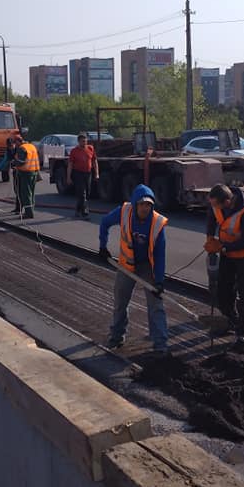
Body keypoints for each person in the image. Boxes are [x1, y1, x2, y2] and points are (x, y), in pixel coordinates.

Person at [98, 184, 169, 355]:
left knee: (156, 304)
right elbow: (105, 223)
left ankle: (160, 344)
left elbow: (160, 255)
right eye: (142, 204)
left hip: (147, 266)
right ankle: (116, 337)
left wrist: (159, 281)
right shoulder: (124, 212)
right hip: (126, 264)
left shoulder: (158, 223)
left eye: (149, 205)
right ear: (135, 203)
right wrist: (102, 247)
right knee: (120, 302)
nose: (145, 208)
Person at [206, 183, 244, 350]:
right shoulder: (217, 205)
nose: (214, 208)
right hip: (228, 255)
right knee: (223, 290)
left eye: (217, 205)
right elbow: (211, 216)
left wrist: (221, 247)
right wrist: (210, 237)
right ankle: (231, 321)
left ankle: (243, 333)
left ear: (228, 201)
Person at [67, 133, 99, 219]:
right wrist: (68, 177)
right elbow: (70, 164)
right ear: (78, 142)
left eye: (85, 141)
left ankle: (78, 209)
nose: (84, 143)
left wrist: (97, 173)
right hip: (78, 173)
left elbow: (94, 161)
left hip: (88, 173)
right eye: (82, 141)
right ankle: (85, 212)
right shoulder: (74, 151)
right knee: (82, 193)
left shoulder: (90, 148)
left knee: (87, 193)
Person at [11, 135, 40, 219]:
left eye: (14, 143)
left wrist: (14, 162)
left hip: (25, 173)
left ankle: (29, 213)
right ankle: (30, 210)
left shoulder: (22, 148)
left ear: (17, 141)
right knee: (31, 193)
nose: (14, 145)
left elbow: (21, 162)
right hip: (34, 172)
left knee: (26, 194)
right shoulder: (31, 146)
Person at [0, 137, 21, 214]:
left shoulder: (20, 149)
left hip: (23, 172)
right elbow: (5, 160)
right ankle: (18, 208)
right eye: (9, 146)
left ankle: (23, 209)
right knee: (17, 190)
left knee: (21, 191)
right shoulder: (8, 151)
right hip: (16, 171)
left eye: (12, 146)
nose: (11, 147)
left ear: (15, 144)